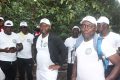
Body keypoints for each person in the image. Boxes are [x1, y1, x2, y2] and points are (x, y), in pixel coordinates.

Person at [71, 16, 120, 80]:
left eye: (89, 26)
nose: (85, 28)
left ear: (95, 28)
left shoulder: (101, 43)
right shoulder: (78, 42)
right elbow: (76, 61)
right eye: (83, 25)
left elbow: (118, 63)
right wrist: (73, 76)